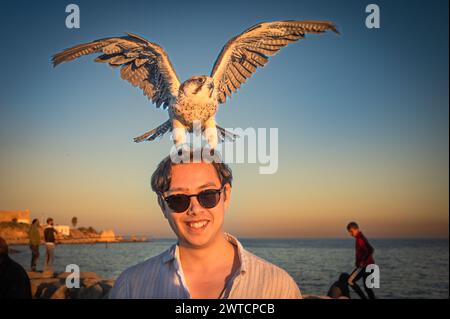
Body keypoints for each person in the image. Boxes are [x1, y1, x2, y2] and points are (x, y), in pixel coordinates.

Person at [110, 151, 302, 299]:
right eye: (178, 199)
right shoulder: (131, 286)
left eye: (207, 195)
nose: (194, 209)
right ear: (162, 205)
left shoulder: (279, 287)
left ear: (225, 195)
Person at [346, 222, 376, 299]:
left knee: (350, 281)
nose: (350, 234)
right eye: (349, 232)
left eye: (351, 231)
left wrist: (363, 261)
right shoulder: (360, 238)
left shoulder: (360, 239)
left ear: (357, 230)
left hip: (365, 266)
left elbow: (371, 249)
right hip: (369, 266)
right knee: (367, 287)